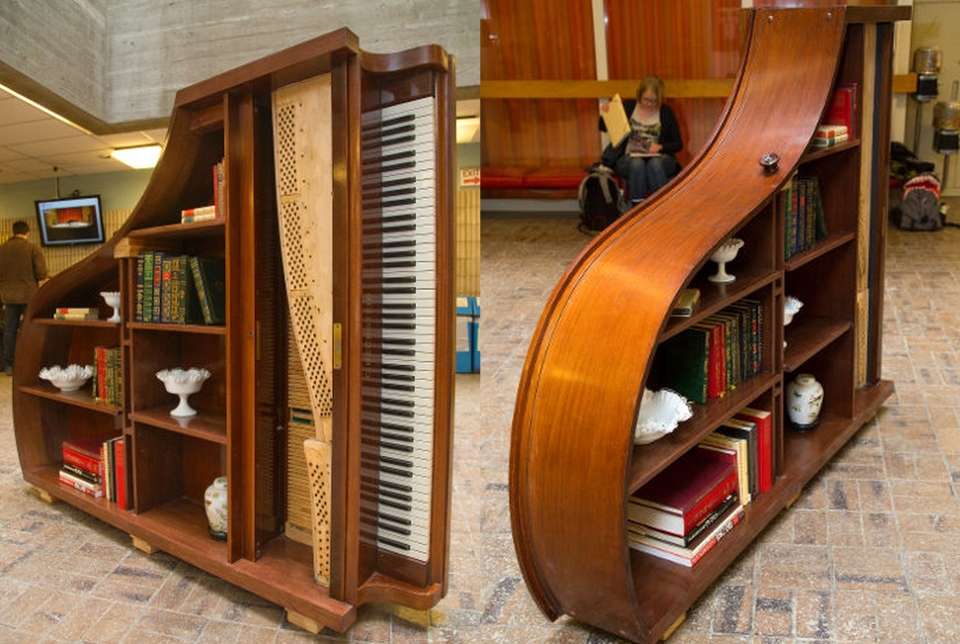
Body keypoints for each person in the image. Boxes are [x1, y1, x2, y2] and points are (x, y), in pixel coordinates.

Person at [600, 75, 683, 205]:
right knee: (637, 163)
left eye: (654, 101)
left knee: (654, 163)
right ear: (640, 95)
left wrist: (660, 147)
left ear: (660, 99)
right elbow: (603, 127)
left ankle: (662, 206)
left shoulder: (666, 112)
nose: (649, 104)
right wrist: (605, 113)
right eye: (646, 100)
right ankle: (638, 207)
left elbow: (678, 144)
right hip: (628, 157)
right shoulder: (627, 106)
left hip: (660, 157)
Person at [0, 220, 48, 375]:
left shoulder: (2, 250)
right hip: (29, 296)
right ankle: (32, 363)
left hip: (9, 296)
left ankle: (10, 366)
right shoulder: (32, 248)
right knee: (31, 329)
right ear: (27, 232)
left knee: (10, 330)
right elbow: (42, 273)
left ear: (13, 232)